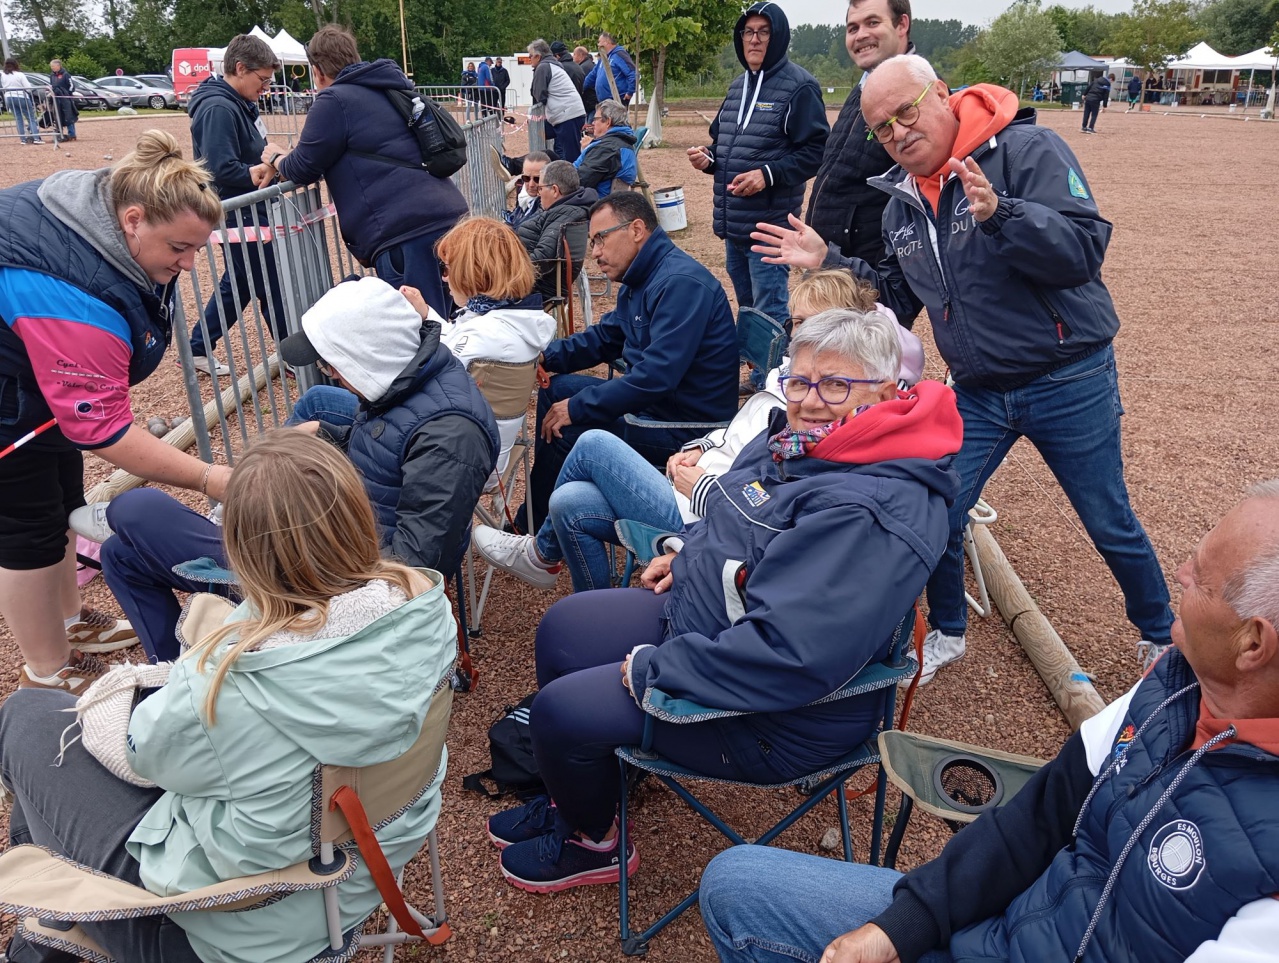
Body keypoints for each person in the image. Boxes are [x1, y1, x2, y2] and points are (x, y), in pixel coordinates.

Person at [700, 479, 1279, 963]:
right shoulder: (1178, 682)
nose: (1177, 571)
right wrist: (905, 925)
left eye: (1200, 578)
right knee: (736, 885)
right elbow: (1041, 816)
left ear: (1253, 643)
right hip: (1000, 927)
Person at [486, 308, 962, 893]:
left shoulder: (872, 512)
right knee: (562, 630)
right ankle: (585, 798)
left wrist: (654, 668)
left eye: (835, 384)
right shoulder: (806, 443)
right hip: (709, 627)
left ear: (887, 391)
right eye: (799, 381)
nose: (810, 400)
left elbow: (790, 654)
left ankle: (592, 843)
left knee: (560, 713)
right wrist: (688, 551)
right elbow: (742, 525)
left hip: (778, 714)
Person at [750, 54, 1174, 683]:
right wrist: (829, 261)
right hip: (977, 389)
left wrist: (1002, 215)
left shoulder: (1027, 150)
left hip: (1068, 376)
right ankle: (948, 628)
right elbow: (895, 299)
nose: (896, 132)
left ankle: (1159, 633)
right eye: (881, 128)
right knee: (939, 508)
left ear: (942, 94)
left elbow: (1085, 249)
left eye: (905, 112)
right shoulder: (898, 206)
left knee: (1107, 518)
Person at [0, 431, 458, 963]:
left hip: (228, 929)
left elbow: (138, 753)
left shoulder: (229, 686)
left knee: (25, 718)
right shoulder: (426, 609)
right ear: (357, 520)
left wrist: (143, 684)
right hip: (360, 873)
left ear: (240, 550)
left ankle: (40, 942)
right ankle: (40, 939)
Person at [100, 276, 498, 663]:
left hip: (329, 584)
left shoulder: (450, 435)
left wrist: (299, 536)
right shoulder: (409, 383)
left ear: (368, 356)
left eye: (332, 365)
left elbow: (415, 568)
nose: (333, 374)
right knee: (120, 555)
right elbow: (390, 448)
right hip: (329, 539)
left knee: (137, 510)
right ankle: (175, 677)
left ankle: (191, 682)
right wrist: (328, 436)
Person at [473, 270, 923, 593]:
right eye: (794, 321)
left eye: (806, 322)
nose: (794, 331)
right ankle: (601, 603)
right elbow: (738, 433)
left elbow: (770, 508)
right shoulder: (791, 378)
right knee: (569, 500)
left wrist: (702, 482)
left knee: (591, 441)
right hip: (698, 473)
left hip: (709, 516)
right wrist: (701, 446)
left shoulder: (821, 410)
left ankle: (539, 554)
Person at [0, 130, 227, 694]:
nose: (189, 262)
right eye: (179, 248)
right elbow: (100, 427)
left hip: (31, 381)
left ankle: (71, 622)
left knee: (61, 505)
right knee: (25, 530)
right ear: (133, 220)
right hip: (9, 400)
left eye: (198, 248)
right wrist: (210, 476)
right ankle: (49, 670)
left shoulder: (110, 213)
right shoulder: (74, 292)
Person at [512, 192, 738, 533]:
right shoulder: (644, 276)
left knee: (568, 423)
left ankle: (538, 533)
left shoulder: (680, 284)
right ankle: (537, 517)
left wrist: (578, 407)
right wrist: (543, 356)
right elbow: (606, 338)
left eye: (601, 239)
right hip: (658, 408)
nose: (596, 253)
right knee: (556, 391)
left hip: (685, 427)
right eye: (592, 242)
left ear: (636, 229)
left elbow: (654, 378)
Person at [262, 25, 468, 318]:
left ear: (318, 70)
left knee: (418, 331)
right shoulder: (390, 87)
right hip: (446, 215)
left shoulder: (334, 100)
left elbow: (303, 166)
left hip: (405, 232)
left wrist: (276, 158)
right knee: (452, 318)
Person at [687, 2, 829, 334]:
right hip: (733, 223)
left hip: (769, 227)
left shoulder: (800, 87)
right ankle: (756, 372)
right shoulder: (738, 86)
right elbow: (723, 145)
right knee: (749, 306)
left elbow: (817, 151)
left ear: (778, 37)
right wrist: (708, 159)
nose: (754, 39)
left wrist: (767, 176)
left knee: (770, 309)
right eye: (748, 32)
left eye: (763, 32)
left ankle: (771, 377)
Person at [186, 34, 286, 377]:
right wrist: (257, 171)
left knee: (243, 282)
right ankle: (292, 354)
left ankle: (197, 346)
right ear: (240, 69)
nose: (265, 88)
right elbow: (216, 168)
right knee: (268, 282)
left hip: (248, 209)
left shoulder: (238, 102)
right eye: (262, 80)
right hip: (239, 210)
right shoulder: (218, 107)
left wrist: (267, 159)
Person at [433, 216, 555, 475]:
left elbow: (432, 386)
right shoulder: (517, 321)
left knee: (326, 402)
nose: (444, 278)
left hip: (456, 465)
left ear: (472, 272)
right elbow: (458, 346)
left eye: (447, 268)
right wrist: (427, 315)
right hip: (492, 452)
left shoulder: (483, 335)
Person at [806, 0, 915, 265]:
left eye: (873, 23)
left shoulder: (917, 94)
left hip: (867, 273)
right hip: (830, 258)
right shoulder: (863, 88)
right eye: (852, 28)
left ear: (902, 25)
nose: (861, 35)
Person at [515, 160, 596, 295]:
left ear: (554, 190)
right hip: (530, 281)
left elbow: (542, 257)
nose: (538, 193)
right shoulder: (568, 209)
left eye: (541, 188)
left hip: (531, 288)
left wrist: (504, 272)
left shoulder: (566, 214)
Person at [528, 39, 586, 163]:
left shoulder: (543, 67)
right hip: (567, 114)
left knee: (572, 157)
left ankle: (575, 180)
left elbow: (539, 95)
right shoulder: (554, 64)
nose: (529, 59)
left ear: (538, 56)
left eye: (530, 56)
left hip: (568, 115)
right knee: (543, 136)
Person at [574, 98, 638, 198]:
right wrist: (588, 149)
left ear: (608, 121)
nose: (593, 123)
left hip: (591, 204)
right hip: (605, 201)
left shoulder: (607, 149)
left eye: (595, 119)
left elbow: (579, 181)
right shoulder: (622, 142)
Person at [584, 32, 636, 108]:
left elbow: (632, 72)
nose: (598, 45)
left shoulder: (619, 54)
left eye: (599, 42)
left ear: (607, 42)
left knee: (616, 120)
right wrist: (582, 87)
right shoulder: (603, 58)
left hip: (617, 99)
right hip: (603, 101)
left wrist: (630, 92)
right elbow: (593, 74)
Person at [503, 151, 550, 228]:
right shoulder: (523, 194)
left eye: (537, 179)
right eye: (526, 178)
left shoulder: (547, 207)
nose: (531, 185)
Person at [2, 59, 43, 144]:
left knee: (18, 118)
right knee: (31, 118)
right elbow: (27, 87)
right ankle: (36, 138)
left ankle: (23, 139)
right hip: (21, 96)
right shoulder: (19, 74)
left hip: (9, 96)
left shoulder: (3, 75)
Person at [48, 58, 78, 141]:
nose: (52, 68)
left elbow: (72, 86)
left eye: (53, 66)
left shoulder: (66, 74)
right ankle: (59, 134)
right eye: (51, 66)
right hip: (56, 99)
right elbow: (51, 86)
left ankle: (72, 134)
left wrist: (68, 94)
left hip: (65, 98)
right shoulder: (52, 75)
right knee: (57, 116)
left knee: (69, 116)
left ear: (58, 66)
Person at [574, 45, 599, 120]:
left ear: (581, 55)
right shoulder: (589, 64)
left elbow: (583, 85)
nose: (573, 57)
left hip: (590, 103)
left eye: (575, 54)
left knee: (590, 126)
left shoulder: (584, 68)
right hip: (592, 101)